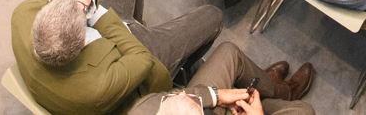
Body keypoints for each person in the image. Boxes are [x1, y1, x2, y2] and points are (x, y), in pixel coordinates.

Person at [11, 0, 222, 115]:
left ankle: (136, 21)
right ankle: (182, 70)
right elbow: (142, 59)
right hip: (130, 53)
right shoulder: (98, 88)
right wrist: (100, 17)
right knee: (212, 17)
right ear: (83, 43)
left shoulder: (22, 14)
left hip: (105, 38)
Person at [126, 42, 315, 115]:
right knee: (304, 111)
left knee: (229, 53)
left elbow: (173, 97)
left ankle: (278, 91)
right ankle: (267, 98)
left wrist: (215, 96)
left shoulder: (143, 110)